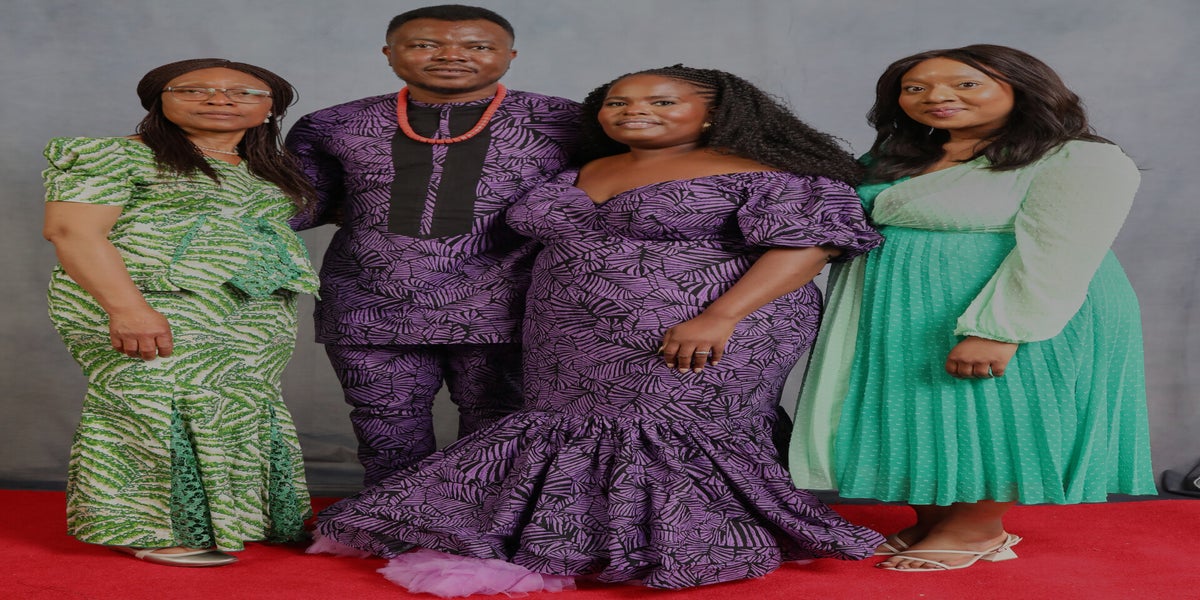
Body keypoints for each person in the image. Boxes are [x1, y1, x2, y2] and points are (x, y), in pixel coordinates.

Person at [309, 65, 885, 594]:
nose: (634, 110)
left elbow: (809, 248)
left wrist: (720, 317)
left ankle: (682, 546)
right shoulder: (588, 166)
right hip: (568, 334)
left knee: (664, 428)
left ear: (715, 113)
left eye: (662, 101)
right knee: (566, 429)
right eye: (617, 102)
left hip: (703, 324)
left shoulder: (775, 174)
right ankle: (571, 540)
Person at [789, 44, 1156, 572]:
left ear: (1023, 88)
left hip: (1009, 303)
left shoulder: (1077, 157)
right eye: (915, 88)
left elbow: (1062, 248)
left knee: (994, 413)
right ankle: (934, 521)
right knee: (917, 410)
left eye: (965, 84)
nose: (936, 97)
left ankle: (977, 529)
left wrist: (999, 329)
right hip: (902, 310)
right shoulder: (897, 155)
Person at [285, 4, 580, 486]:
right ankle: (388, 519)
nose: (451, 55)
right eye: (425, 44)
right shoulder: (332, 124)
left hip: (509, 302)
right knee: (385, 429)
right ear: (389, 53)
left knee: (499, 427)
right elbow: (299, 207)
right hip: (369, 304)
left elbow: (613, 197)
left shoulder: (567, 121)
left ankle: (480, 523)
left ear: (510, 55)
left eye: (477, 46)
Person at [42, 58, 320, 566]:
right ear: (159, 100)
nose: (219, 99)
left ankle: (232, 521)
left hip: (252, 311)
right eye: (193, 89)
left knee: (235, 404)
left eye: (243, 92)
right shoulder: (115, 155)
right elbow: (72, 233)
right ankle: (143, 528)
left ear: (269, 109)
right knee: (149, 402)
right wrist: (128, 309)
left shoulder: (269, 167)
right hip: (147, 299)